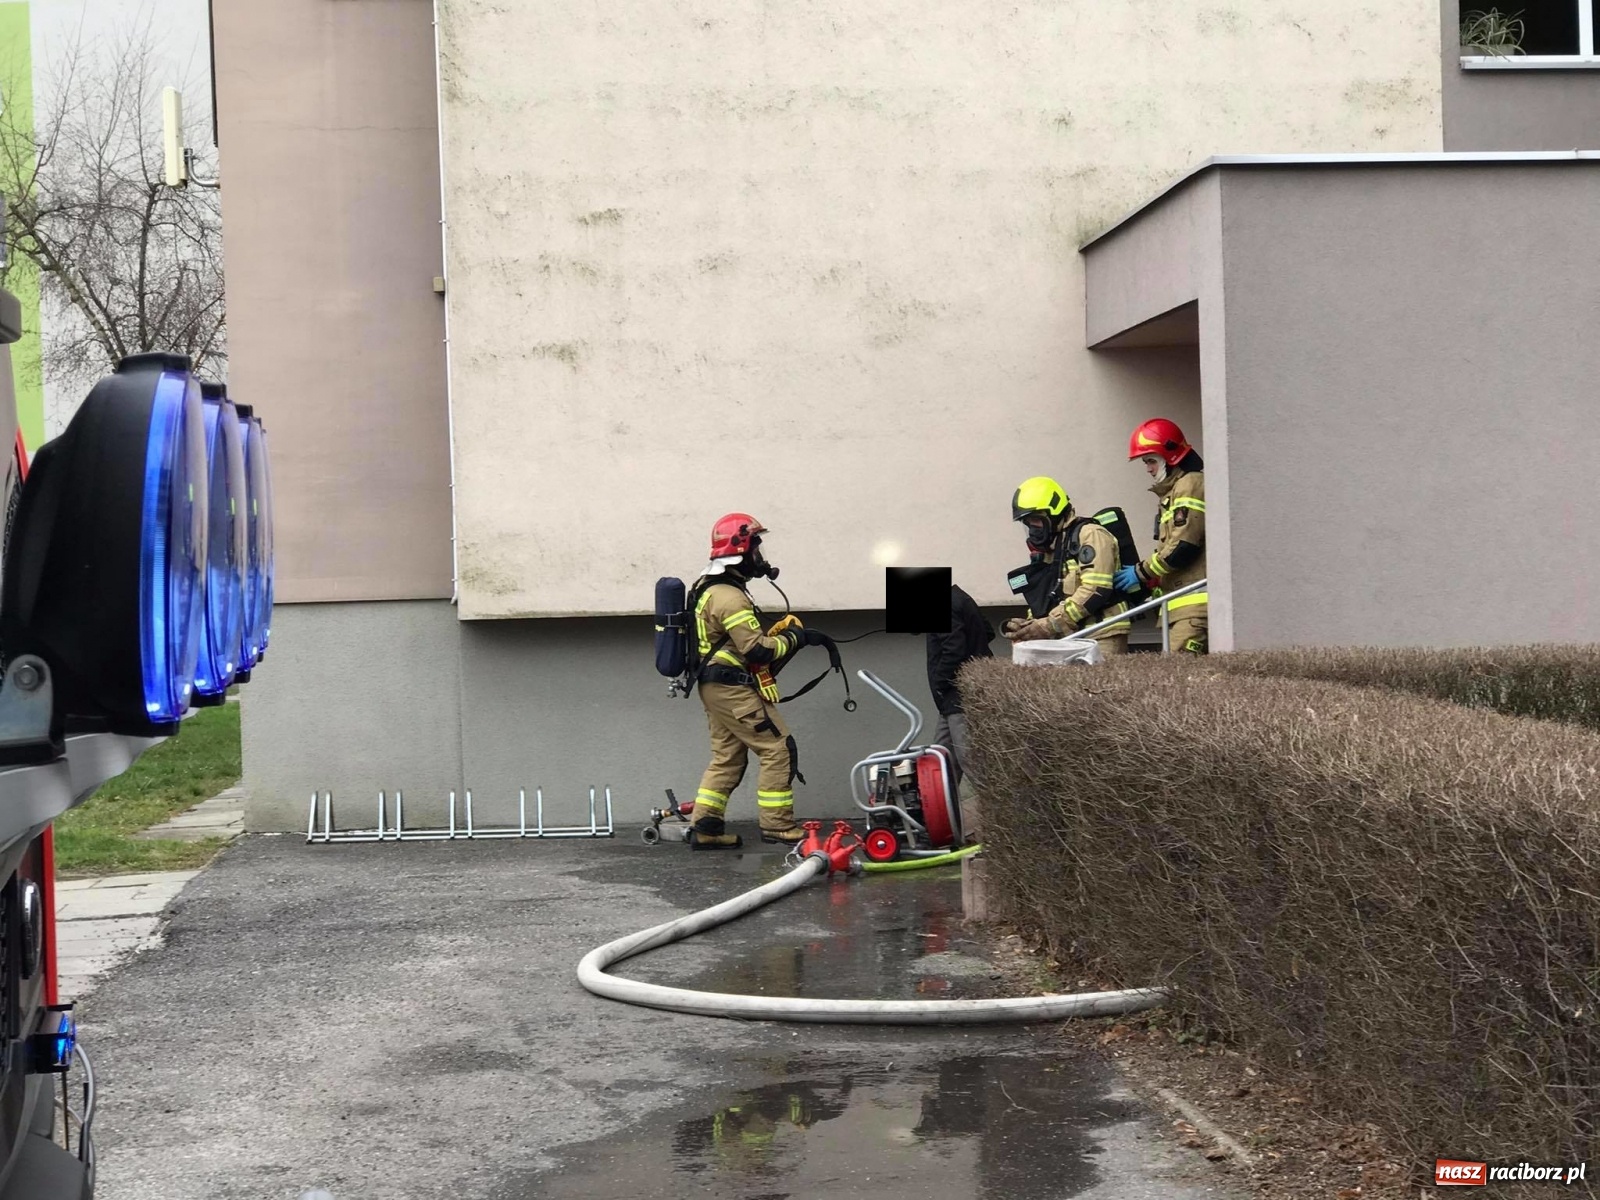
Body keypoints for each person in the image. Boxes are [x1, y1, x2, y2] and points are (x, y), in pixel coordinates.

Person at [683, 513, 829, 849]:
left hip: (714, 686)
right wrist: (794, 638)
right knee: (778, 748)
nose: (759, 557)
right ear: (741, 550)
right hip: (731, 688)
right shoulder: (729, 596)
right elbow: (757, 649)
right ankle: (777, 825)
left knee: (727, 757)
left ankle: (706, 827)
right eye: (756, 548)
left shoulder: (708, 588)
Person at [1001, 476, 1131, 656]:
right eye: (1027, 523)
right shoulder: (1055, 547)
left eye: (1036, 520)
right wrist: (1029, 627)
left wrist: (1048, 625)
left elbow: (1096, 589)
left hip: (1101, 633)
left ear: (1054, 513)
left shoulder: (1090, 535)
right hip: (1069, 636)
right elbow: (1049, 596)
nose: (1032, 528)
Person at [1115, 419, 1208, 654]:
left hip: (1193, 608)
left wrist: (1141, 572)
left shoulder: (1189, 484)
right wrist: (1153, 579)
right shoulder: (1174, 491)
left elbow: (1183, 546)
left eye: (1151, 461)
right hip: (1180, 607)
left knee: (1181, 674)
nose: (1148, 469)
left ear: (1170, 456)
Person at [926, 583, 993, 833]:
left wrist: (941, 683)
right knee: (940, 765)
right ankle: (946, 829)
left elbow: (954, 650)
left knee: (970, 762)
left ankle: (1001, 826)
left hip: (958, 698)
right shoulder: (960, 597)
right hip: (953, 700)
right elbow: (987, 631)